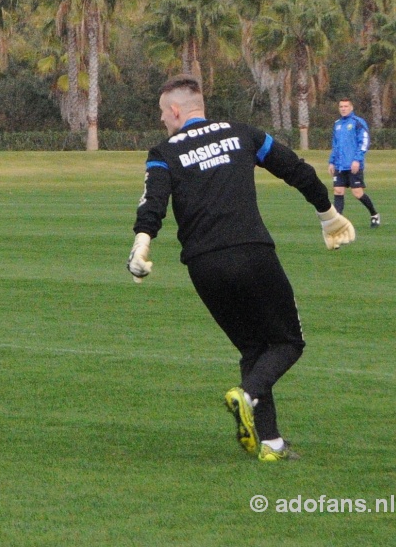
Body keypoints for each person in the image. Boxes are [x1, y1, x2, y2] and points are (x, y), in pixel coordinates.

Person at [127, 75, 355, 462]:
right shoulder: (243, 133)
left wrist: (141, 243)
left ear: (177, 110)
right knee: (288, 343)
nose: (163, 121)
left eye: (163, 113)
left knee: (254, 346)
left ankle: (271, 443)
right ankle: (245, 396)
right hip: (252, 253)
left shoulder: (163, 152)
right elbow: (296, 169)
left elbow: (154, 201)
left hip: (203, 266)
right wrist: (328, 214)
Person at [328, 98, 380, 228]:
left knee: (357, 193)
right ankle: (337, 222)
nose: (343, 108)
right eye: (341, 106)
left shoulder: (358, 122)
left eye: (346, 106)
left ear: (351, 108)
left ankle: (374, 214)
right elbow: (335, 145)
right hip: (340, 165)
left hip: (353, 165)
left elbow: (364, 142)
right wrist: (331, 162)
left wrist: (357, 159)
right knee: (338, 191)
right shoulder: (337, 124)